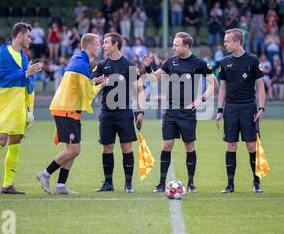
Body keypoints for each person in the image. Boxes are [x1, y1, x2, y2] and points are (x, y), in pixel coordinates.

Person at [0, 23, 43, 195]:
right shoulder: (3, 53)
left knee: (15, 143)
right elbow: (0, 78)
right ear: (19, 35)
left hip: (18, 105)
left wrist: (29, 109)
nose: (30, 40)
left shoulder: (24, 57)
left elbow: (27, 81)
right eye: (28, 37)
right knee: (0, 140)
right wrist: (26, 73)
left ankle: (7, 185)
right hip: (3, 104)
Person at [142, 32, 217, 193]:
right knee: (167, 145)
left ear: (187, 46)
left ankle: (191, 183)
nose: (173, 47)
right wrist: (148, 66)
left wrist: (200, 100)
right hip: (170, 110)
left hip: (187, 112)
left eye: (176, 45)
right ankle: (162, 183)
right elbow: (154, 78)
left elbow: (213, 84)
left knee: (189, 146)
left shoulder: (199, 63)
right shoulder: (170, 61)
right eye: (173, 44)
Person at [36, 34, 101, 195]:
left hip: (70, 109)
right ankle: (45, 174)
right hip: (66, 109)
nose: (99, 47)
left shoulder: (80, 59)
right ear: (90, 46)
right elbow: (88, 94)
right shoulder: (81, 63)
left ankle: (61, 186)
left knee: (75, 149)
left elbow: (83, 85)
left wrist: (95, 81)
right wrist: (102, 85)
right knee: (73, 150)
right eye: (98, 44)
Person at [93, 33, 145, 193]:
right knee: (107, 147)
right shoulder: (101, 65)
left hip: (124, 113)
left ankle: (128, 184)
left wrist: (140, 111)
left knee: (126, 147)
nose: (103, 45)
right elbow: (92, 83)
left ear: (115, 44)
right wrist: (97, 82)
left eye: (106, 42)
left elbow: (139, 89)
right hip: (106, 113)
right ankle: (108, 183)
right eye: (103, 42)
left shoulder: (129, 65)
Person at [215, 28, 266, 194]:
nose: (225, 44)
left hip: (248, 107)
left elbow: (260, 86)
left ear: (237, 41)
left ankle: (256, 182)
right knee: (231, 145)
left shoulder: (252, 60)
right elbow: (222, 89)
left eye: (227, 41)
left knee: (251, 146)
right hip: (230, 108)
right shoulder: (224, 62)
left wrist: (261, 108)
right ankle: (230, 185)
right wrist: (220, 110)